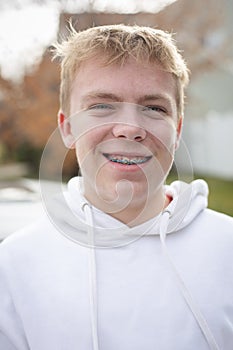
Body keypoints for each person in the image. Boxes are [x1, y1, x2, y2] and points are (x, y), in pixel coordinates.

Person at [0, 24, 232, 350]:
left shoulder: (228, 249)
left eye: (154, 108)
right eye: (101, 106)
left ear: (177, 130)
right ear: (67, 127)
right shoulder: (14, 263)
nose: (129, 128)